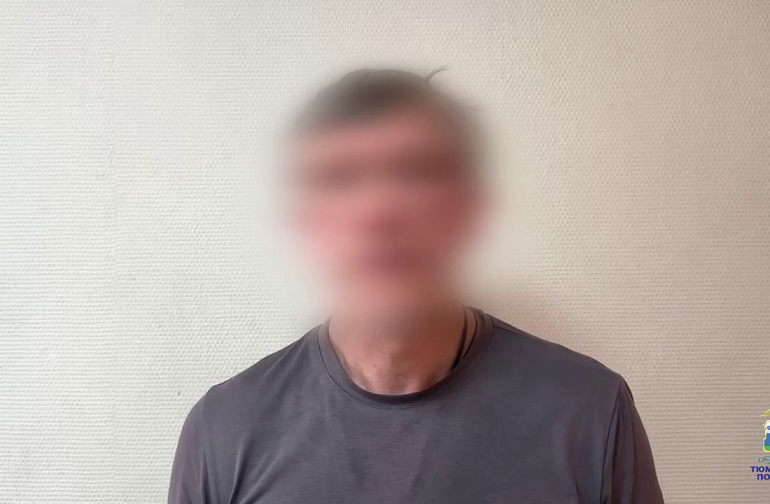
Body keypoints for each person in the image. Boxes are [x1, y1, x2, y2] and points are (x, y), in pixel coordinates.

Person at [169, 68, 664, 504]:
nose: (378, 212)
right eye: (339, 178)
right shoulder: (223, 429)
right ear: (303, 222)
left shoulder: (592, 410)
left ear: (470, 209)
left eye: (416, 172)